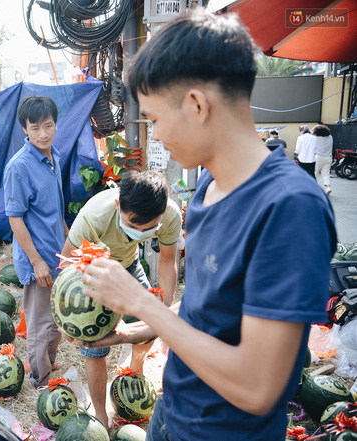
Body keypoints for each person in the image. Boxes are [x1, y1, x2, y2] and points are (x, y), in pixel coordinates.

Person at [69, 11, 336, 441]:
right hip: (173, 413)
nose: (154, 134)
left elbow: (258, 387)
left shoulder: (290, 209)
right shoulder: (209, 187)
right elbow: (204, 312)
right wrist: (128, 334)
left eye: (154, 119)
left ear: (196, 104)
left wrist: (142, 301)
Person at [60, 170, 181, 429]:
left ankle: (134, 370)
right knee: (95, 345)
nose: (140, 232)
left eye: (148, 229)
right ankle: (101, 413)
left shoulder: (170, 215)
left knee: (147, 328)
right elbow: (68, 262)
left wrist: (167, 307)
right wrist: (69, 313)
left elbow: (168, 260)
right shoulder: (95, 216)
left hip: (129, 265)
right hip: (93, 271)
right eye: (133, 225)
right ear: (118, 205)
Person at [3, 96, 68, 387]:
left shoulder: (56, 157)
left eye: (48, 125)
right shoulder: (19, 167)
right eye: (35, 127)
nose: (43, 133)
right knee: (40, 323)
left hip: (58, 254)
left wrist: (69, 241)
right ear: (25, 130)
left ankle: (50, 363)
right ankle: (41, 380)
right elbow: (15, 219)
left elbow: (56, 208)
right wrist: (37, 261)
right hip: (38, 258)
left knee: (56, 318)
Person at [313, 124, 333, 195]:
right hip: (329, 157)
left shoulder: (316, 138)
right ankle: (328, 187)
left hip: (319, 157)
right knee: (326, 173)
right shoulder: (330, 137)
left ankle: (315, 188)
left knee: (315, 172)